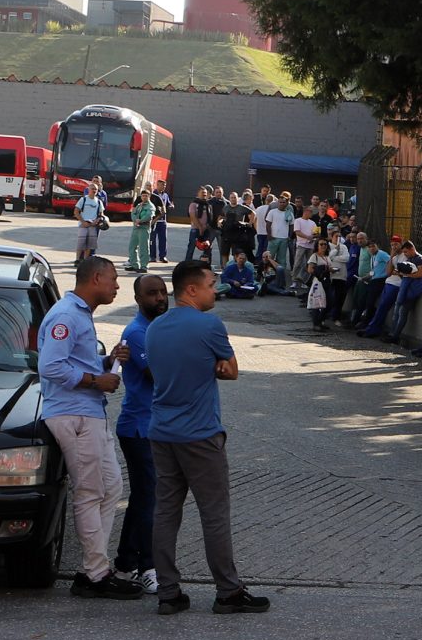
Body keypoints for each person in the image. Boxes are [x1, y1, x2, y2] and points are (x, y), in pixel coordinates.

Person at [147, 259, 266, 615]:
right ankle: (228, 590)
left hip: (162, 430)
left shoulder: (154, 328)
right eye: (212, 285)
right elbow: (231, 371)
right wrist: (212, 366)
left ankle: (168, 591)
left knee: (166, 510)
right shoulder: (209, 325)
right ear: (192, 289)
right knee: (214, 512)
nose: (217, 290)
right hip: (199, 433)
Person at [35, 255, 140, 600]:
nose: (116, 287)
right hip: (74, 414)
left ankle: (93, 568)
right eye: (112, 280)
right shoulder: (66, 315)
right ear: (95, 279)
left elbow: (72, 361)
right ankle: (95, 575)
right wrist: (96, 379)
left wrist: (105, 362)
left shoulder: (78, 314)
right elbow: (50, 367)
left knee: (109, 487)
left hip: (87, 412)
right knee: (91, 491)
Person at [110, 271, 168, 593]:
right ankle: (148, 566)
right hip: (138, 428)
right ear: (137, 299)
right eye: (152, 293)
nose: (160, 298)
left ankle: (124, 566)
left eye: (162, 292)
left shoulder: (158, 329)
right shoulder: (137, 333)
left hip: (153, 427)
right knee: (151, 499)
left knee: (145, 498)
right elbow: (158, 375)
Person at [73, 182, 108, 263]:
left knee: (89, 245)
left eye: (95, 189)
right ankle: (77, 260)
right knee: (81, 244)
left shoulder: (99, 202)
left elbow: (101, 214)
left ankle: (85, 260)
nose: (94, 190)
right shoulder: (83, 199)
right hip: (83, 225)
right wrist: (82, 221)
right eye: (92, 189)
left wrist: (97, 221)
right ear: (88, 189)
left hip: (93, 225)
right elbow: (76, 212)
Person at [126, 186, 157, 274]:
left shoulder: (150, 206)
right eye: (143, 196)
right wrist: (135, 220)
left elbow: (149, 215)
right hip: (136, 228)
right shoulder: (139, 205)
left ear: (149, 196)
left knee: (144, 248)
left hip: (144, 228)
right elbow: (133, 213)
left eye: (146, 196)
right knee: (132, 247)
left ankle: (144, 266)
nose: (144, 197)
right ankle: (134, 264)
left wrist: (141, 220)